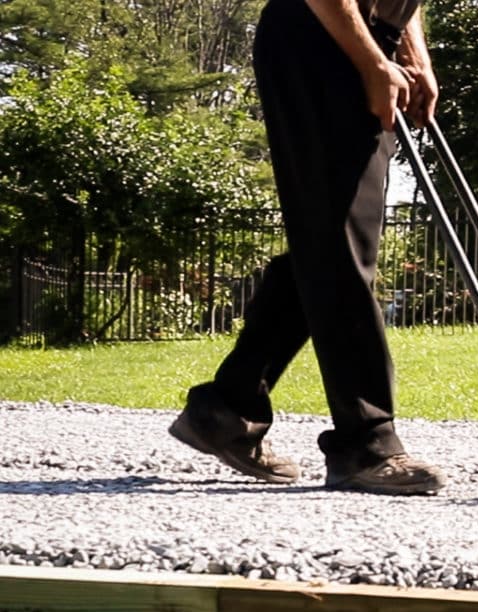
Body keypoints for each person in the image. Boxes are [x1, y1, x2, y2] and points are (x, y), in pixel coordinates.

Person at [169, 0, 445, 495]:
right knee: (340, 245)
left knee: (331, 243)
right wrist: (372, 63)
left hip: (372, 39)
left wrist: (413, 55)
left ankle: (225, 408)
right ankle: (366, 443)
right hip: (322, 35)